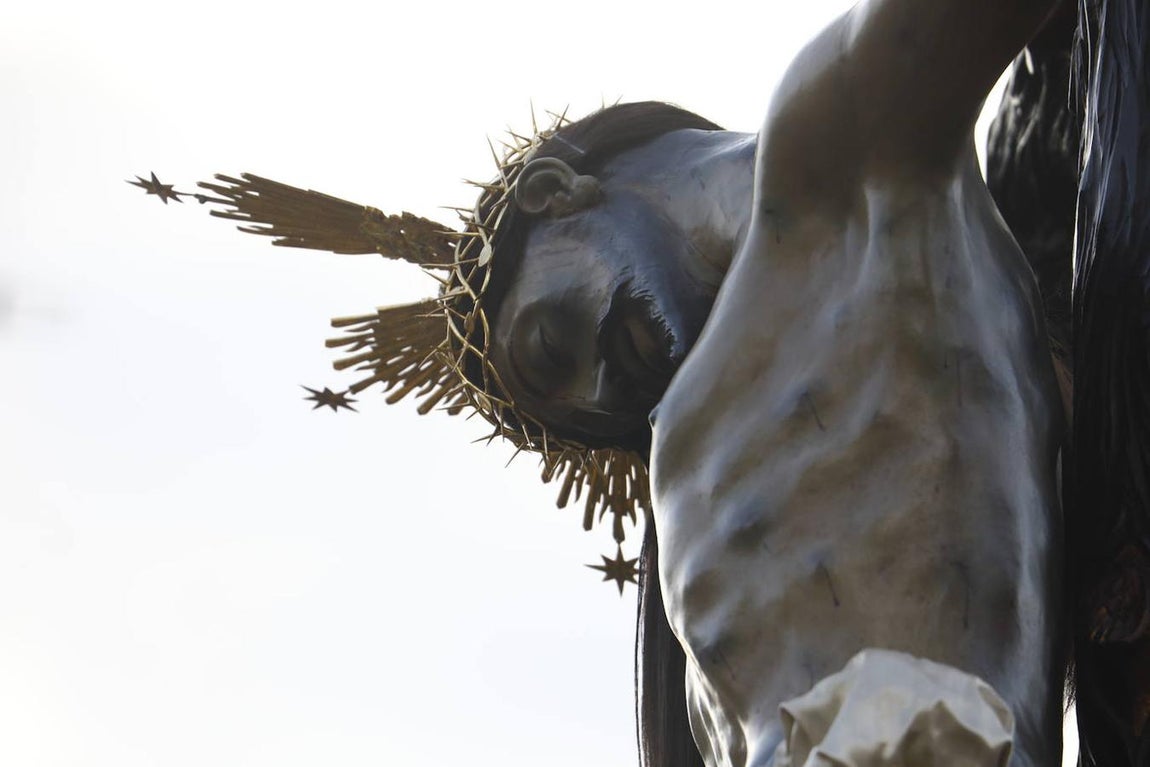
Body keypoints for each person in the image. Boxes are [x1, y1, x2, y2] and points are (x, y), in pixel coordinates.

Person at [139, 0, 1150, 764]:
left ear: (555, 194)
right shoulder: (724, 447)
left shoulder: (837, 141)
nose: (601, 379)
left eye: (550, 338)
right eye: (581, 403)